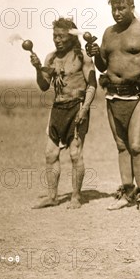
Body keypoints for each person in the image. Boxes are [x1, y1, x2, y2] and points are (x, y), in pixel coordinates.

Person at [87, 0, 140, 214]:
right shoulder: (108, 33)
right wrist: (96, 54)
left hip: (139, 95)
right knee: (122, 146)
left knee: (137, 146)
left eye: (122, 9)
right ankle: (128, 192)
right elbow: (102, 67)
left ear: (132, 7)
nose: (118, 13)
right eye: (114, 9)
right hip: (113, 96)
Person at [30, 18, 97, 209]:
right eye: (54, 36)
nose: (57, 40)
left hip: (77, 107)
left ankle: (76, 197)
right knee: (50, 154)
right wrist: (37, 68)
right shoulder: (50, 58)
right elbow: (44, 86)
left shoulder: (82, 56)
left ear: (71, 37)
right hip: (57, 109)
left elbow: (92, 84)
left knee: (75, 154)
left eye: (61, 36)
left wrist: (84, 109)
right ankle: (52, 196)